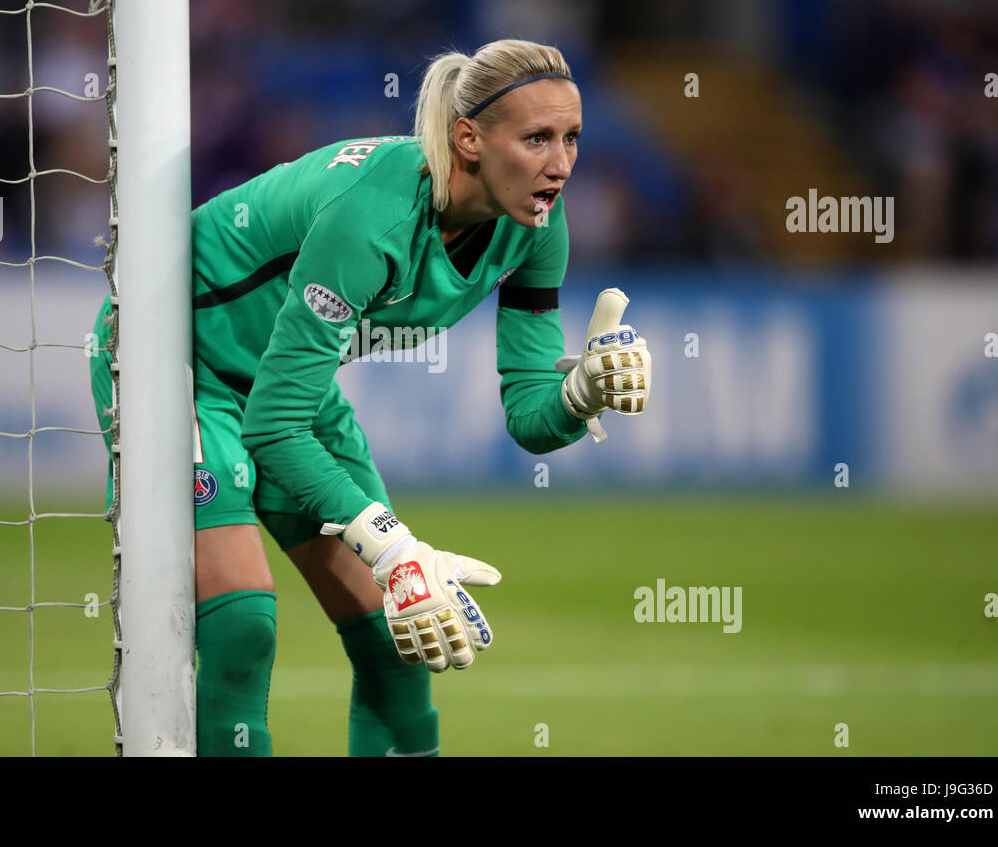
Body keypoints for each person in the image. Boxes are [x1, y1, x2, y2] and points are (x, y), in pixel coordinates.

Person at [88, 39, 652, 757]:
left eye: (572, 138)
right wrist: (392, 550)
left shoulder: (536, 225)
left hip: (289, 383)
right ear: (470, 139)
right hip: (172, 362)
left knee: (399, 643)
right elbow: (274, 427)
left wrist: (579, 393)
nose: (562, 163)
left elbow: (529, 417)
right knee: (242, 625)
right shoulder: (374, 216)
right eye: (537, 138)